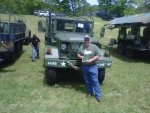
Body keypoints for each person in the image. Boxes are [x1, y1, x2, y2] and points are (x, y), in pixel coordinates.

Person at [77, 34, 101, 102]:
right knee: (87, 81)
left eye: (88, 39)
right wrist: (82, 57)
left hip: (93, 66)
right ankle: (89, 93)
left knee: (95, 81)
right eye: (85, 39)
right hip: (85, 66)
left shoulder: (94, 47)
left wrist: (91, 60)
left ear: (89, 40)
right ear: (84, 40)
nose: (87, 40)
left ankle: (98, 95)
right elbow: (78, 54)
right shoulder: (82, 47)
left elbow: (98, 55)